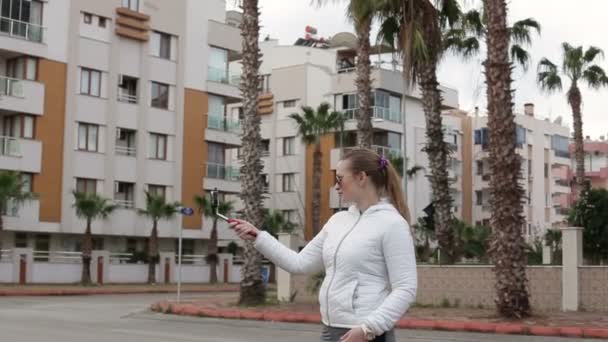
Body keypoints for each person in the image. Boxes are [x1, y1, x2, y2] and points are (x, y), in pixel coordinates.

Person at [231, 148, 417, 342]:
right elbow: (299, 263)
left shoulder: (392, 224)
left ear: (361, 177)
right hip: (331, 328)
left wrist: (368, 329)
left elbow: (405, 288)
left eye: (339, 179)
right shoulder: (338, 221)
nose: (336, 186)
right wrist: (258, 237)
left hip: (366, 333)